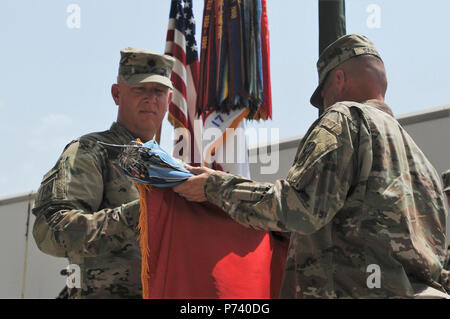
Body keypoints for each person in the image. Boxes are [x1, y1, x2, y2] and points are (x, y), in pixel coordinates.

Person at [174, 34, 450, 298]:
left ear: (339, 79)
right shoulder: (423, 163)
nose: (324, 105)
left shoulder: (346, 117)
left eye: (324, 93)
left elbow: (301, 207)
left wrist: (214, 187)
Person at [32, 48, 174, 298]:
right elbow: (50, 232)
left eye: (158, 91)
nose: (151, 99)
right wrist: (139, 214)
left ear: (169, 100)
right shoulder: (90, 152)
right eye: (140, 89)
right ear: (117, 94)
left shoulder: (171, 170)